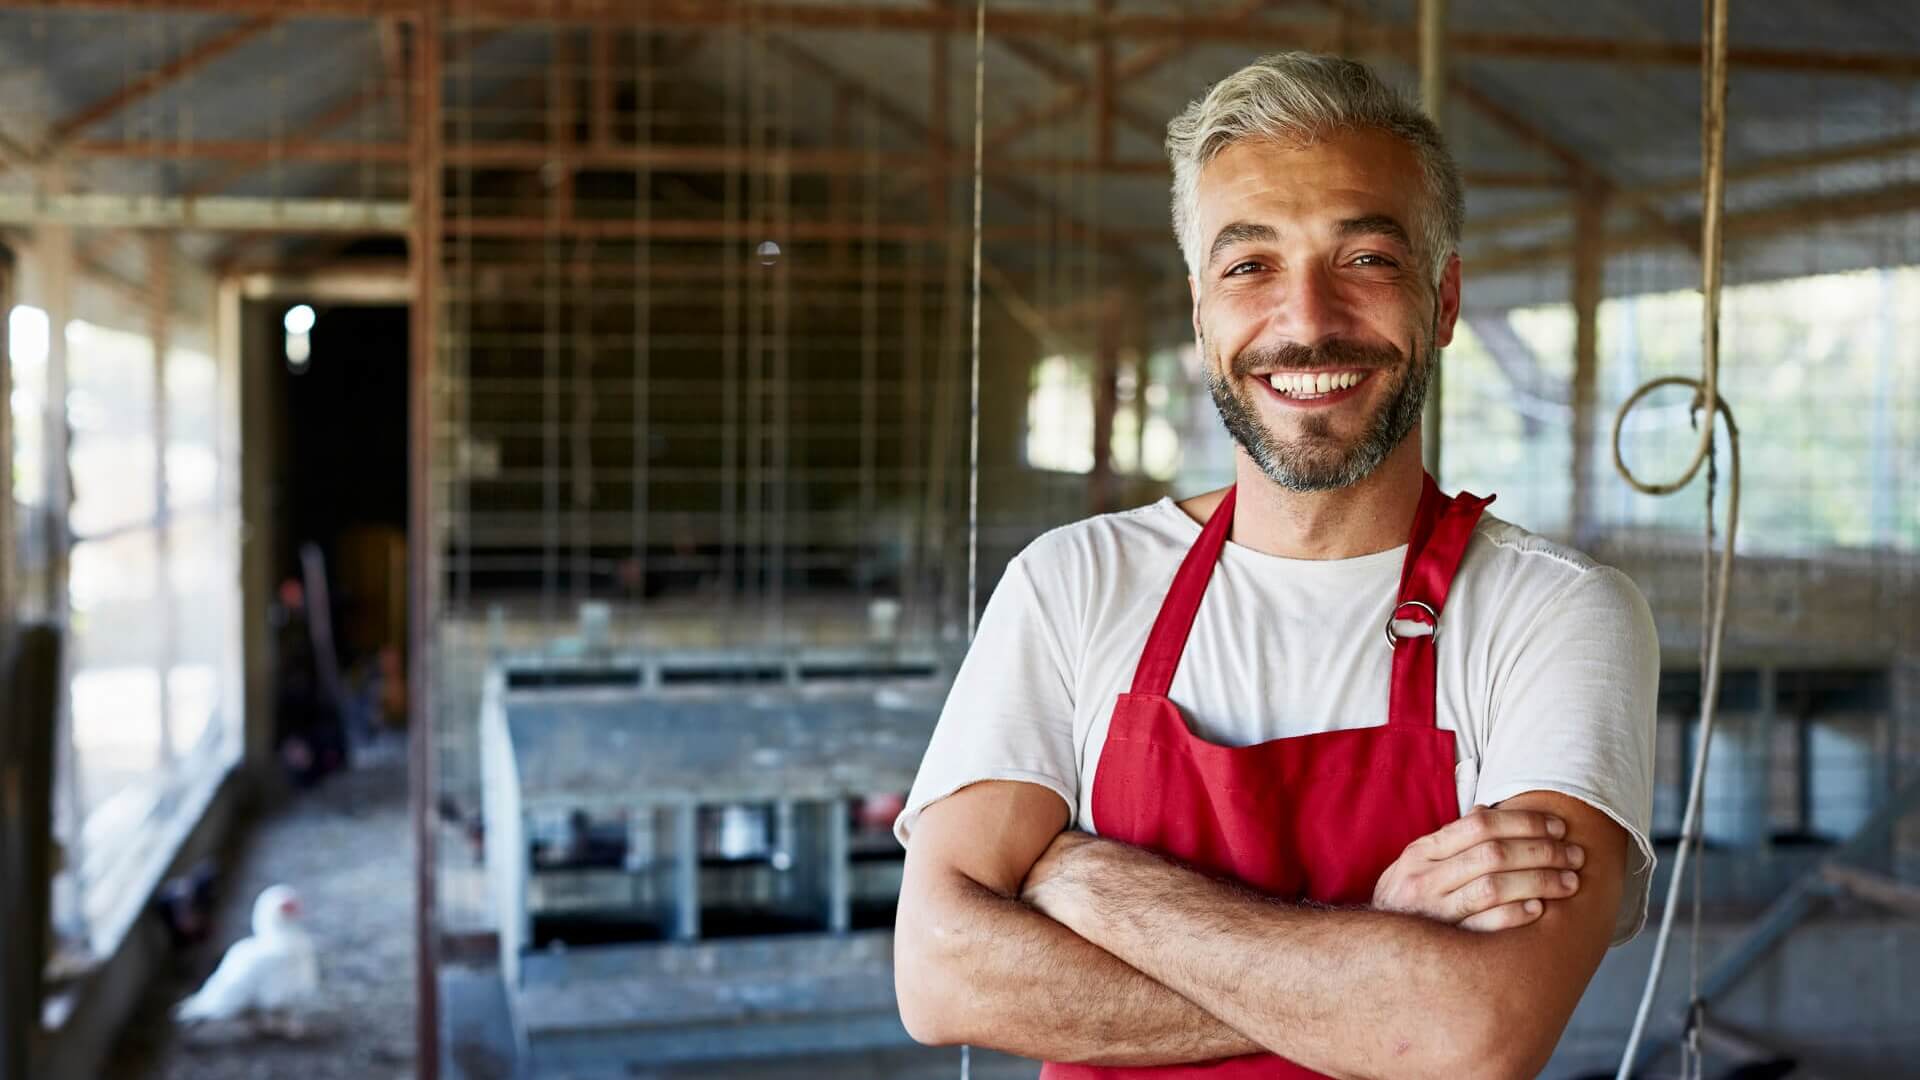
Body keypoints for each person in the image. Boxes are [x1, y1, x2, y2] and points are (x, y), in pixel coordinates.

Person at [892, 52, 1658, 1080]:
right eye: (1249, 265)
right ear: (1202, 312)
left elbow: (1473, 1033)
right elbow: (942, 980)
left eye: (1367, 260)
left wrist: (1089, 884)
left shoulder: (1555, 616)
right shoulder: (1075, 583)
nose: (1305, 320)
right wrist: (1368, 955)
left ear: (1443, 300)